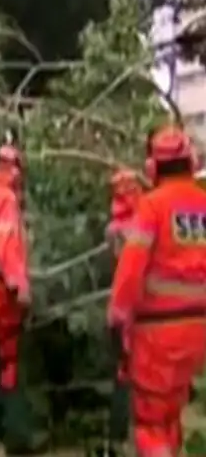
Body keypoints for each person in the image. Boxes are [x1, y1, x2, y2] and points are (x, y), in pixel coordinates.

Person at [108, 125, 206, 457]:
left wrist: (117, 319)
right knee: (172, 415)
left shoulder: (152, 207)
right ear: (191, 162)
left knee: (150, 421)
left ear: (152, 168)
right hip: (197, 332)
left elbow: (130, 270)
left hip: (157, 334)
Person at [0, 143, 46, 454]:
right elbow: (8, 245)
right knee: (9, 356)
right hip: (1, 288)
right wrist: (20, 286)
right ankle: (16, 436)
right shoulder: (7, 202)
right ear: (14, 169)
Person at [105, 168, 143, 452]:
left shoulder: (113, 228)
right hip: (138, 306)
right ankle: (130, 430)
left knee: (122, 368)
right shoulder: (139, 226)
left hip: (118, 305)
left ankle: (117, 431)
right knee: (137, 369)